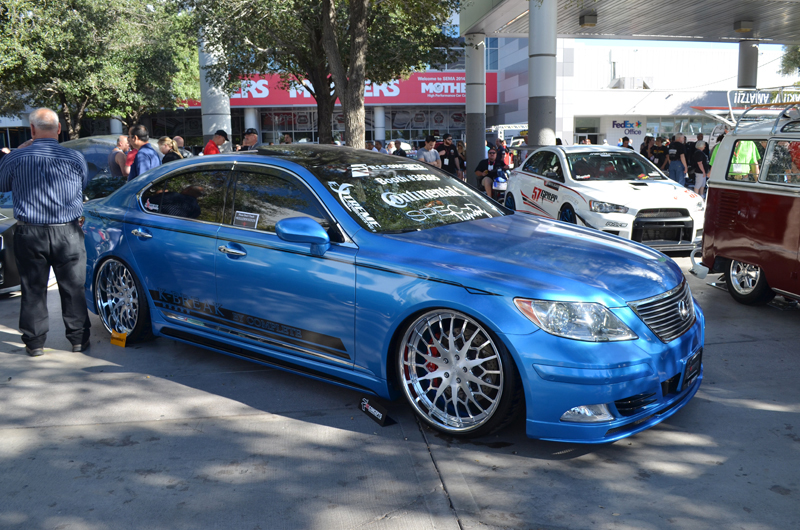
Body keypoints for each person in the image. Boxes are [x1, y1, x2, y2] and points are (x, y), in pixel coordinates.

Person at [0, 108, 91, 356]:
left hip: (30, 233)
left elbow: (2, 184)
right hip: (68, 232)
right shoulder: (74, 157)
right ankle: (78, 339)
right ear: (59, 129)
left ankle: (34, 343)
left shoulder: (17, 157)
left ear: (32, 129)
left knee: (33, 289)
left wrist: (16, 152)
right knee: (73, 287)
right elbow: (83, 184)